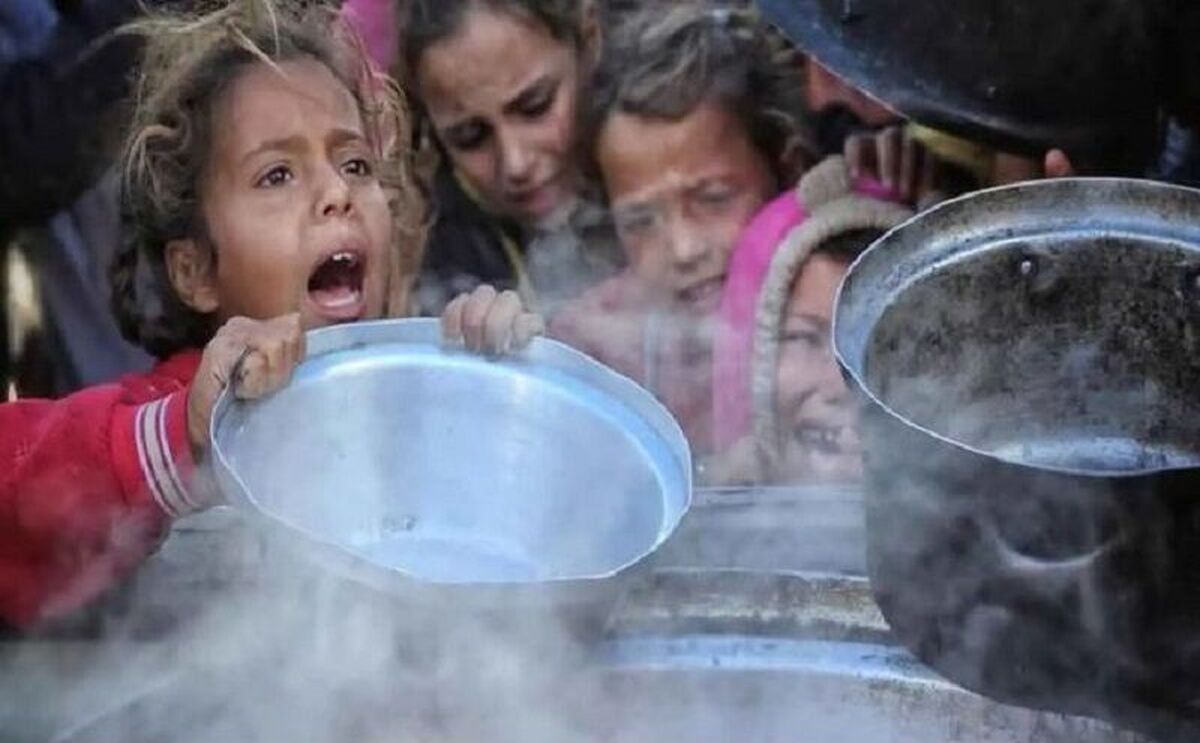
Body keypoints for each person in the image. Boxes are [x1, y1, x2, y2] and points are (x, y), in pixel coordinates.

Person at [0, 0, 539, 630]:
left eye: (356, 164)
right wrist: (183, 437)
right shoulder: (172, 416)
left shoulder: (420, 399)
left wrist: (497, 402)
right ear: (195, 271)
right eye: (277, 175)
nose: (337, 193)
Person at [549, 3, 812, 454]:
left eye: (714, 198)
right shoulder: (593, 351)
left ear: (788, 169)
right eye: (639, 221)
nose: (684, 248)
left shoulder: (837, 314)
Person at [399, 0, 622, 316]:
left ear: (588, 43)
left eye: (535, 106)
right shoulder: (443, 255)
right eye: (470, 137)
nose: (515, 163)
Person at [708, 155, 912, 484]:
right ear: (747, 360)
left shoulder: (987, 511)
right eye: (805, 339)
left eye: (886, 344)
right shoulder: (696, 512)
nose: (841, 387)